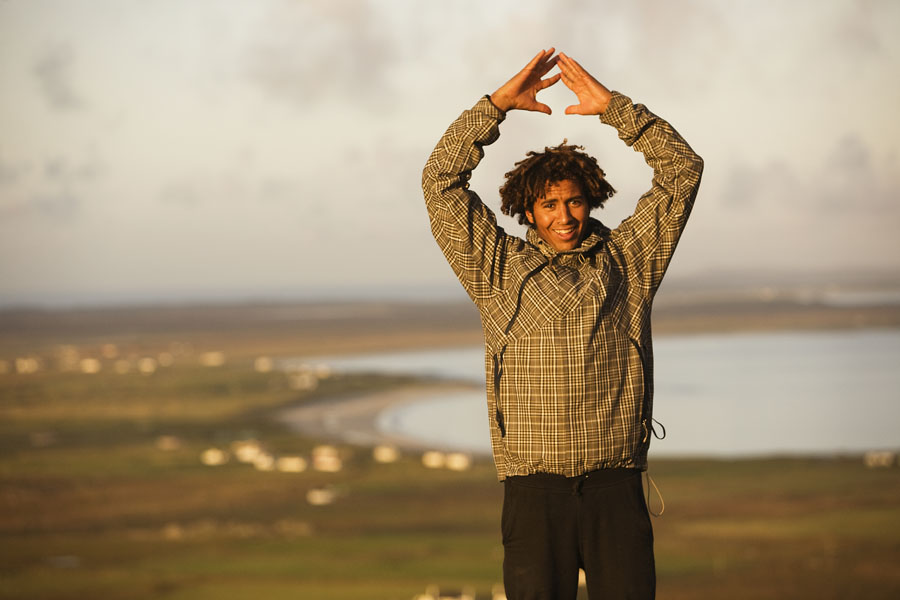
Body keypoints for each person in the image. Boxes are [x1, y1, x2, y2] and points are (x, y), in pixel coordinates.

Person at [422, 48, 703, 599]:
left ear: (591, 200)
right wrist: (496, 106)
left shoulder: (629, 261)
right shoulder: (495, 268)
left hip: (615, 486)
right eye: (548, 204)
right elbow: (440, 181)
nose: (564, 216)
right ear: (527, 211)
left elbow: (682, 171)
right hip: (533, 493)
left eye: (573, 202)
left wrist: (615, 109)